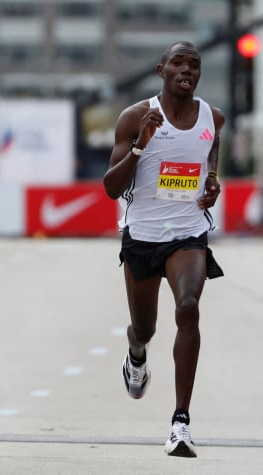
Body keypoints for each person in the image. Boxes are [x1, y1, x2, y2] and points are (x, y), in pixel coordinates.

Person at [102, 41, 225, 458]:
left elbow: (211, 146)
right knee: (146, 328)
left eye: (195, 64)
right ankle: (137, 354)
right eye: (178, 62)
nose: (186, 69)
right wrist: (142, 144)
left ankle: (180, 423)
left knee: (188, 306)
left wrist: (212, 177)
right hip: (141, 238)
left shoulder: (212, 117)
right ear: (161, 70)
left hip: (188, 234)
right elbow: (110, 188)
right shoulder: (135, 117)